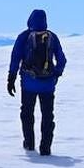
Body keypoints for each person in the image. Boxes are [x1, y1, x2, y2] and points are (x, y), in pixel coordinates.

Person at [7, 9, 66, 156]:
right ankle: (45, 148)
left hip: (28, 83)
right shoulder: (52, 37)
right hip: (48, 84)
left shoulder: (24, 36)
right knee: (47, 115)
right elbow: (62, 60)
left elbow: (15, 57)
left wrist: (11, 77)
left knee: (27, 112)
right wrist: (56, 75)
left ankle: (29, 143)